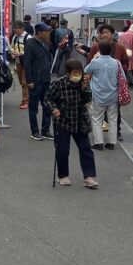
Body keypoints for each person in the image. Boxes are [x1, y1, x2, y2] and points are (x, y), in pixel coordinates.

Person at [47, 58, 98, 189]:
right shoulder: (58, 83)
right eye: (74, 73)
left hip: (80, 120)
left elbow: (88, 99)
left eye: (79, 72)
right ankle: (63, 175)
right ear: (68, 72)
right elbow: (48, 98)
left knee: (86, 149)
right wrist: (54, 109)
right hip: (63, 120)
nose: (77, 75)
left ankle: (89, 177)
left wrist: (85, 87)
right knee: (62, 149)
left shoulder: (83, 83)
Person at [85, 40, 120, 151]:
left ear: (99, 49)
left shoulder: (95, 62)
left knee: (97, 119)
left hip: (98, 94)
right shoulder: (116, 62)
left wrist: (95, 58)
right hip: (113, 95)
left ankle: (99, 142)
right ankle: (111, 142)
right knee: (113, 119)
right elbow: (122, 77)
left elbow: (86, 71)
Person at [23, 22, 54, 142]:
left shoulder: (45, 43)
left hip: (46, 80)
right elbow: (27, 63)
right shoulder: (30, 44)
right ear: (39, 32)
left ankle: (45, 130)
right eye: (46, 31)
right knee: (33, 108)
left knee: (47, 106)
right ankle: (35, 131)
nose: (48, 33)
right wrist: (29, 80)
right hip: (36, 81)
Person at [9, 20, 29, 110]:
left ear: (21, 28)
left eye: (16, 29)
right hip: (18, 62)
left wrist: (21, 53)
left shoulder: (28, 37)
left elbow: (31, 51)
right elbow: (12, 47)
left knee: (24, 82)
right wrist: (12, 53)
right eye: (14, 29)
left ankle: (25, 101)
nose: (14, 31)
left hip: (27, 63)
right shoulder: (15, 37)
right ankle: (28, 98)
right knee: (21, 82)